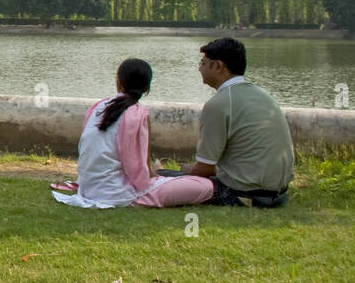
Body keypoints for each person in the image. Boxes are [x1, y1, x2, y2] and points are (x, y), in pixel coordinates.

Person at [51, 58, 214, 209]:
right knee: (205, 186)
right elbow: (136, 167)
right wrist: (153, 178)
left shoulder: (99, 106)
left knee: (176, 180)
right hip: (118, 193)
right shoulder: (137, 113)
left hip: (88, 187)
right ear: (147, 88)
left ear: (119, 81)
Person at [170, 38, 294, 207]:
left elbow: (204, 170)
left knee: (164, 178)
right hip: (277, 194)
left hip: (241, 195)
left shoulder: (219, 104)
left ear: (218, 66)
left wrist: (188, 171)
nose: (200, 68)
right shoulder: (262, 95)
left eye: (203, 63)